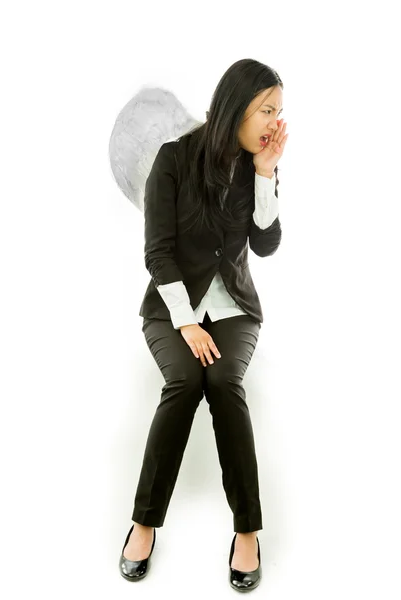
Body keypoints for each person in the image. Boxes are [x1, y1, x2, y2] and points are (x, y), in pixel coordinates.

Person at [119, 57, 288, 592]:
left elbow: (265, 242)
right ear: (236, 107)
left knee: (223, 382)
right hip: (171, 308)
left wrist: (265, 173)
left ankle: (247, 532)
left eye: (279, 112)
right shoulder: (173, 159)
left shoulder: (253, 162)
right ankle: (144, 522)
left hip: (235, 306)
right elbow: (158, 253)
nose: (273, 122)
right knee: (186, 381)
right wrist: (188, 324)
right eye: (266, 110)